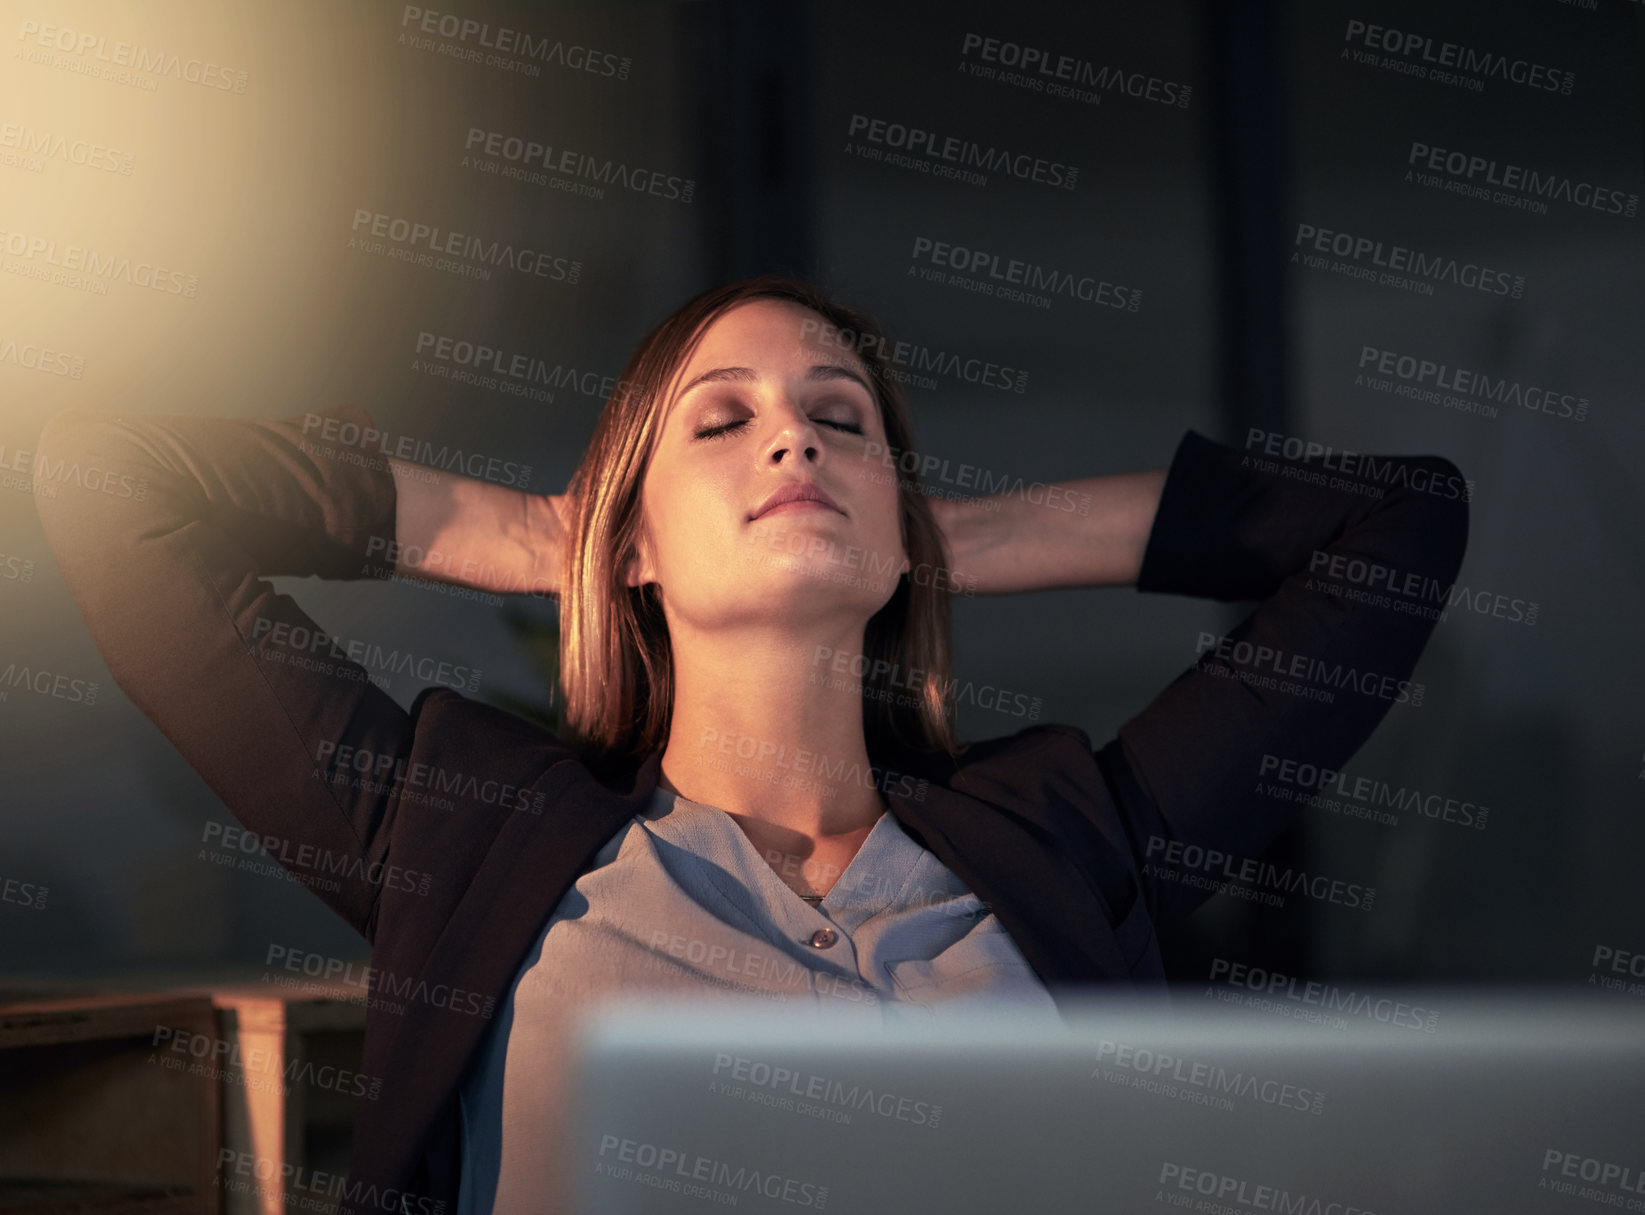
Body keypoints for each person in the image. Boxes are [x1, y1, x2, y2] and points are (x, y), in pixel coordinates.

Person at [34, 275, 1468, 1213]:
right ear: (637, 538)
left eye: (839, 421)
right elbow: (108, 488)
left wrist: (941, 538)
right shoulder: (465, 833)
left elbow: (1394, 528)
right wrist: (540, 535)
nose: (794, 444)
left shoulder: (1064, 837)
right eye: (721, 423)